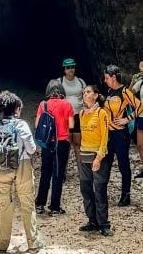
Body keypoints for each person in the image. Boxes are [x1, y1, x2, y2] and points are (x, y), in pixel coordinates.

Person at [0, 91, 41, 253]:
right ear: (16, 108)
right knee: (27, 204)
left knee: (5, 206)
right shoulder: (21, 125)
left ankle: (2, 244)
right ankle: (33, 243)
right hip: (22, 165)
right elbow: (31, 149)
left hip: (2, 168)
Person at [75, 84, 111, 236]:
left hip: (98, 155)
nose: (85, 94)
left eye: (88, 92)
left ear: (95, 95)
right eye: (84, 92)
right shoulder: (82, 114)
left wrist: (99, 157)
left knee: (100, 189)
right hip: (85, 154)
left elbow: (105, 137)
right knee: (86, 188)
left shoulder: (102, 113)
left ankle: (104, 223)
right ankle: (92, 220)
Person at [103, 66, 141, 206]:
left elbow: (140, 107)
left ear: (113, 77)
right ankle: (101, 192)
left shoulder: (124, 91)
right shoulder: (109, 91)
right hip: (109, 133)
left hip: (120, 134)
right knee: (106, 163)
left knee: (123, 164)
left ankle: (126, 195)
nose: (105, 80)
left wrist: (127, 119)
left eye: (107, 78)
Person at [35, 85, 74, 214]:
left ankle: (40, 204)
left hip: (47, 142)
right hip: (62, 142)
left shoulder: (43, 104)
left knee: (45, 172)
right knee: (58, 174)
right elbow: (71, 125)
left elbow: (37, 124)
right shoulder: (67, 104)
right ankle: (54, 207)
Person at [46, 58, 86, 153]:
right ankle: (63, 162)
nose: (70, 69)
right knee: (65, 143)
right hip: (64, 116)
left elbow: (86, 96)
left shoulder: (81, 82)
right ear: (64, 69)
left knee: (78, 142)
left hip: (78, 115)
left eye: (72, 67)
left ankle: (79, 163)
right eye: (68, 67)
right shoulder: (59, 82)